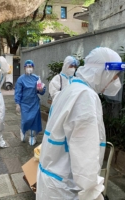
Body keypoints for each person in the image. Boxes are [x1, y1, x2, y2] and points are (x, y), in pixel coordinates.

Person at [36, 47, 122, 200]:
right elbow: (85, 157)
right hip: (65, 189)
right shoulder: (85, 96)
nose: (116, 80)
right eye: (115, 76)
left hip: (52, 183)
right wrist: (93, 194)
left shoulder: (71, 89)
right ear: (103, 71)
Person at [14, 60, 46, 146]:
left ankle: (32, 136)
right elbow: (18, 92)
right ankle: (23, 130)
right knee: (26, 120)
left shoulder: (36, 78)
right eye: (27, 67)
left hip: (34, 102)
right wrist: (17, 103)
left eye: (31, 67)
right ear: (24, 68)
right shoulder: (21, 79)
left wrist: (41, 89)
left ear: (33, 68)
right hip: (24, 103)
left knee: (34, 120)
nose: (29, 68)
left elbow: (41, 91)